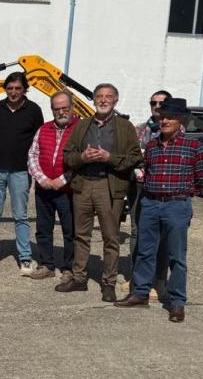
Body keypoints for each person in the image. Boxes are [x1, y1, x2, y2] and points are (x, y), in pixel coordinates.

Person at [115, 98, 203, 323]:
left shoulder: (194, 146)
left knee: (177, 256)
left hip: (177, 204)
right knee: (145, 252)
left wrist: (182, 196)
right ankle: (140, 293)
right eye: (162, 116)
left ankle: (176, 302)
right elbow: (146, 173)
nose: (164, 120)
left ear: (181, 120)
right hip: (150, 203)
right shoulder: (153, 147)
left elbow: (202, 180)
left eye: (170, 117)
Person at [60, 83, 143, 302]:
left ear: (116, 101)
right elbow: (68, 155)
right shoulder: (82, 125)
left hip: (109, 186)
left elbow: (135, 157)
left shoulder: (125, 127)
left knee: (111, 237)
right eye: (99, 96)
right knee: (81, 235)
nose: (103, 100)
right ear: (94, 100)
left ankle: (109, 283)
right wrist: (82, 158)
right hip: (84, 185)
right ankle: (79, 278)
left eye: (108, 97)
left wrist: (109, 158)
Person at [0, 72, 44, 273]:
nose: (13, 92)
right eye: (10, 88)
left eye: (18, 88)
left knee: (21, 215)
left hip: (21, 171)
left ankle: (25, 256)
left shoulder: (34, 110)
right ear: (5, 89)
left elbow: (38, 140)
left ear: (24, 90)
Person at [26, 91, 80, 282]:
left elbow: (82, 161)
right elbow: (32, 154)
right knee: (43, 228)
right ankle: (47, 264)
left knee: (70, 231)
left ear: (72, 107)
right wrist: (41, 179)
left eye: (65, 108)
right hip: (44, 189)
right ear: (52, 110)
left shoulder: (80, 130)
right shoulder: (43, 129)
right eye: (57, 109)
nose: (61, 112)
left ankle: (69, 267)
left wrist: (62, 180)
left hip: (68, 190)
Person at [129, 90, 174, 299]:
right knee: (138, 232)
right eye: (153, 103)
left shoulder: (177, 130)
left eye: (161, 103)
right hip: (140, 186)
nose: (156, 106)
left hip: (166, 190)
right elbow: (134, 157)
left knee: (163, 235)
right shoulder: (139, 129)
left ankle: (159, 280)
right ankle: (137, 279)